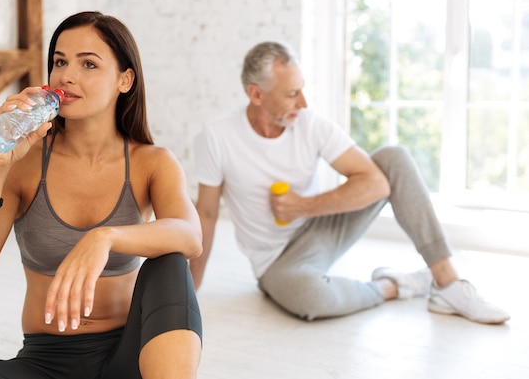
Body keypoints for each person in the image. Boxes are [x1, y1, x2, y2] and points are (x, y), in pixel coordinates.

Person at [0, 11, 203, 379]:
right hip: (47, 364)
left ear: (125, 80)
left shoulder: (151, 162)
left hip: (134, 357)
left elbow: (191, 237)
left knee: (170, 262)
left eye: (88, 63)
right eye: (60, 61)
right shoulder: (26, 164)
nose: (67, 76)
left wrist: (105, 237)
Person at [190, 40, 510, 325]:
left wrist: (304, 207)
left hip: (319, 228)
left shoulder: (310, 124)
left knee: (393, 159)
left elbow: (377, 184)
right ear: (256, 94)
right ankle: (397, 285)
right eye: (291, 94)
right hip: (275, 261)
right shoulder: (218, 136)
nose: (303, 102)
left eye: (302, 89)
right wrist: (191, 291)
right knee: (311, 298)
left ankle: (447, 283)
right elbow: (206, 214)